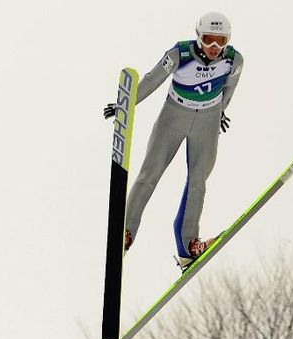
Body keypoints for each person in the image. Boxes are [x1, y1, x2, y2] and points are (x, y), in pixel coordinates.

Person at [103, 12, 244, 271]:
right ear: (198, 37)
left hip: (207, 120)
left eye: (220, 41)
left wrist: (220, 111)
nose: (214, 47)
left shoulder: (234, 60)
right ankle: (125, 233)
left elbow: (229, 89)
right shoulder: (180, 54)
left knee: (198, 181)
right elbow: (152, 79)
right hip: (174, 116)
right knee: (150, 173)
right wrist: (127, 105)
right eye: (209, 40)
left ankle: (188, 248)